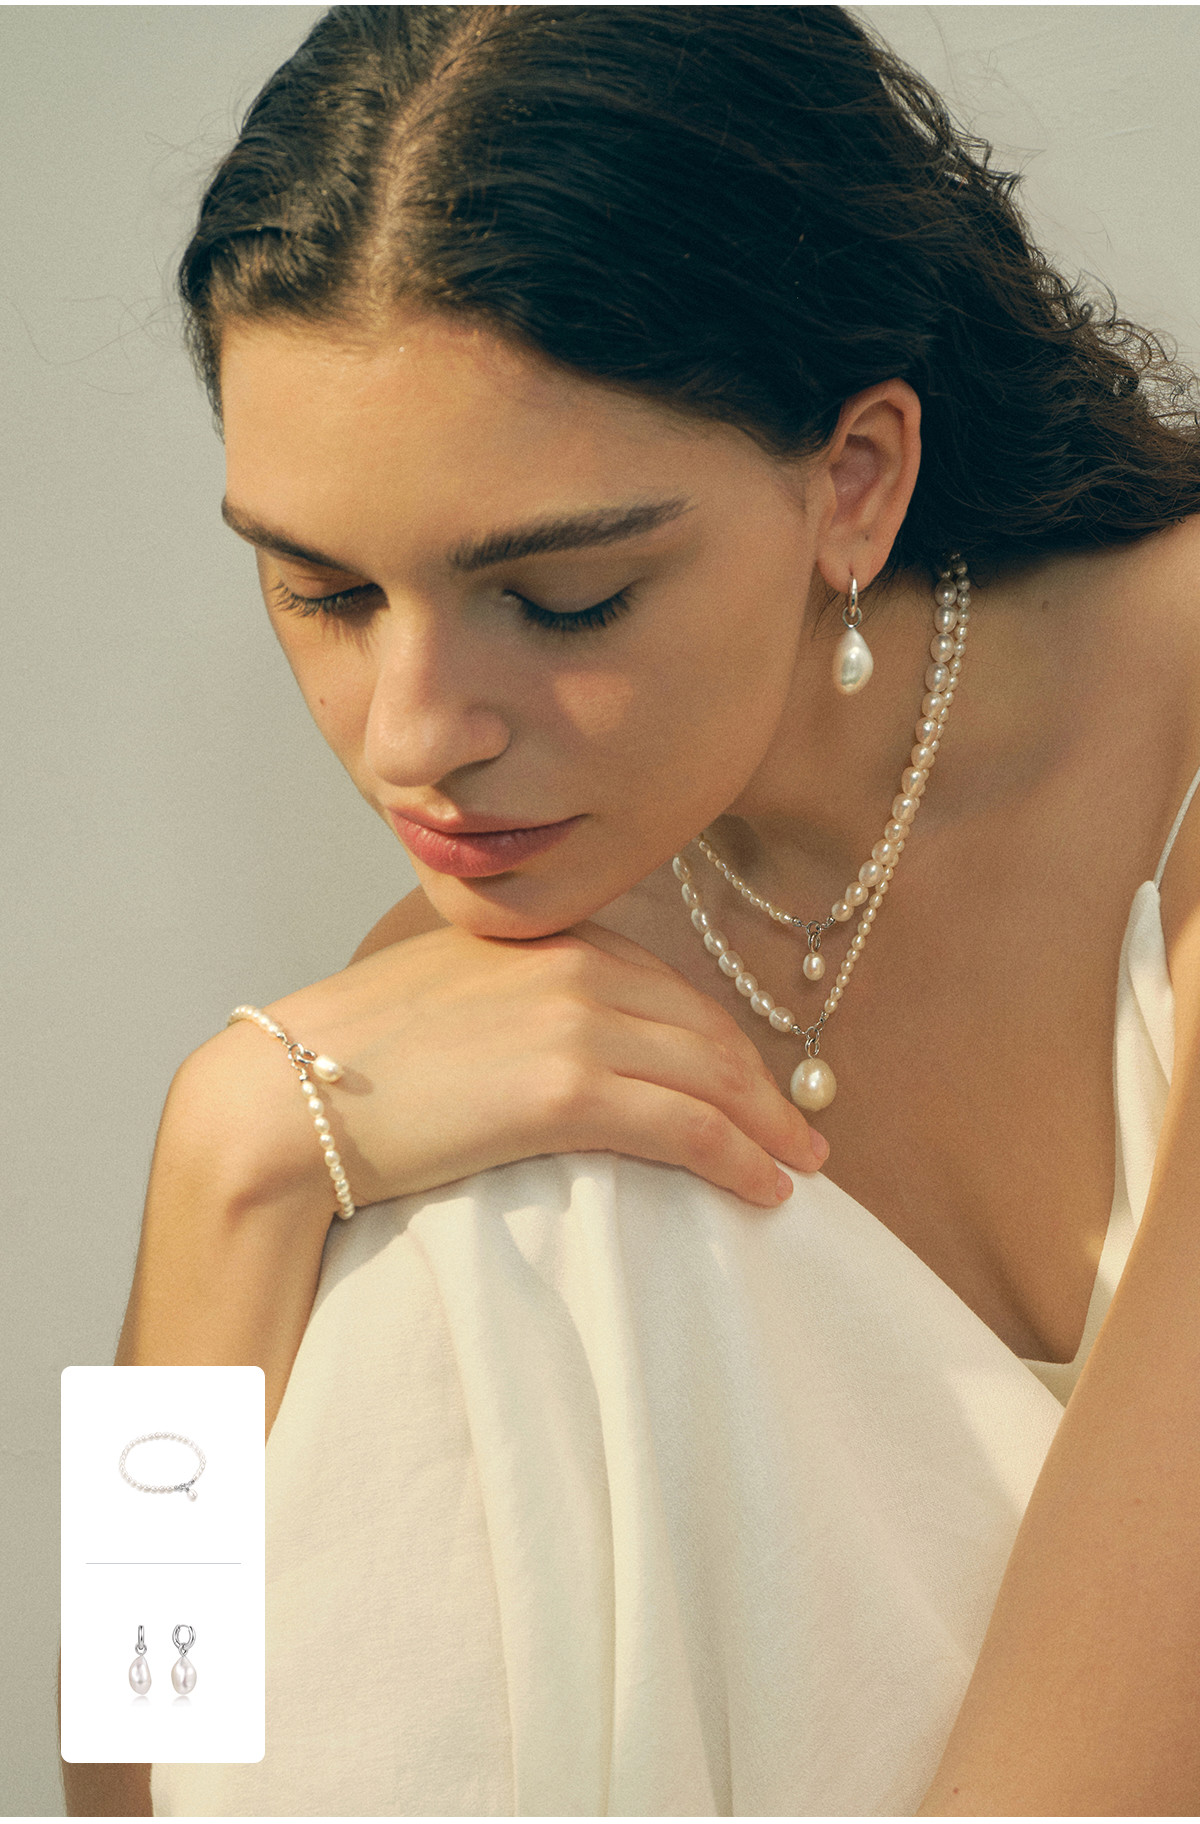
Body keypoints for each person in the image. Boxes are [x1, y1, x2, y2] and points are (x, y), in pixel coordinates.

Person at [65, 4, 1200, 1815]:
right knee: (491, 1199)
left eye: (566, 597)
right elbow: (133, 1755)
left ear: (856, 479)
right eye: (324, 592)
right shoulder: (495, 978)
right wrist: (224, 1166)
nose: (413, 741)